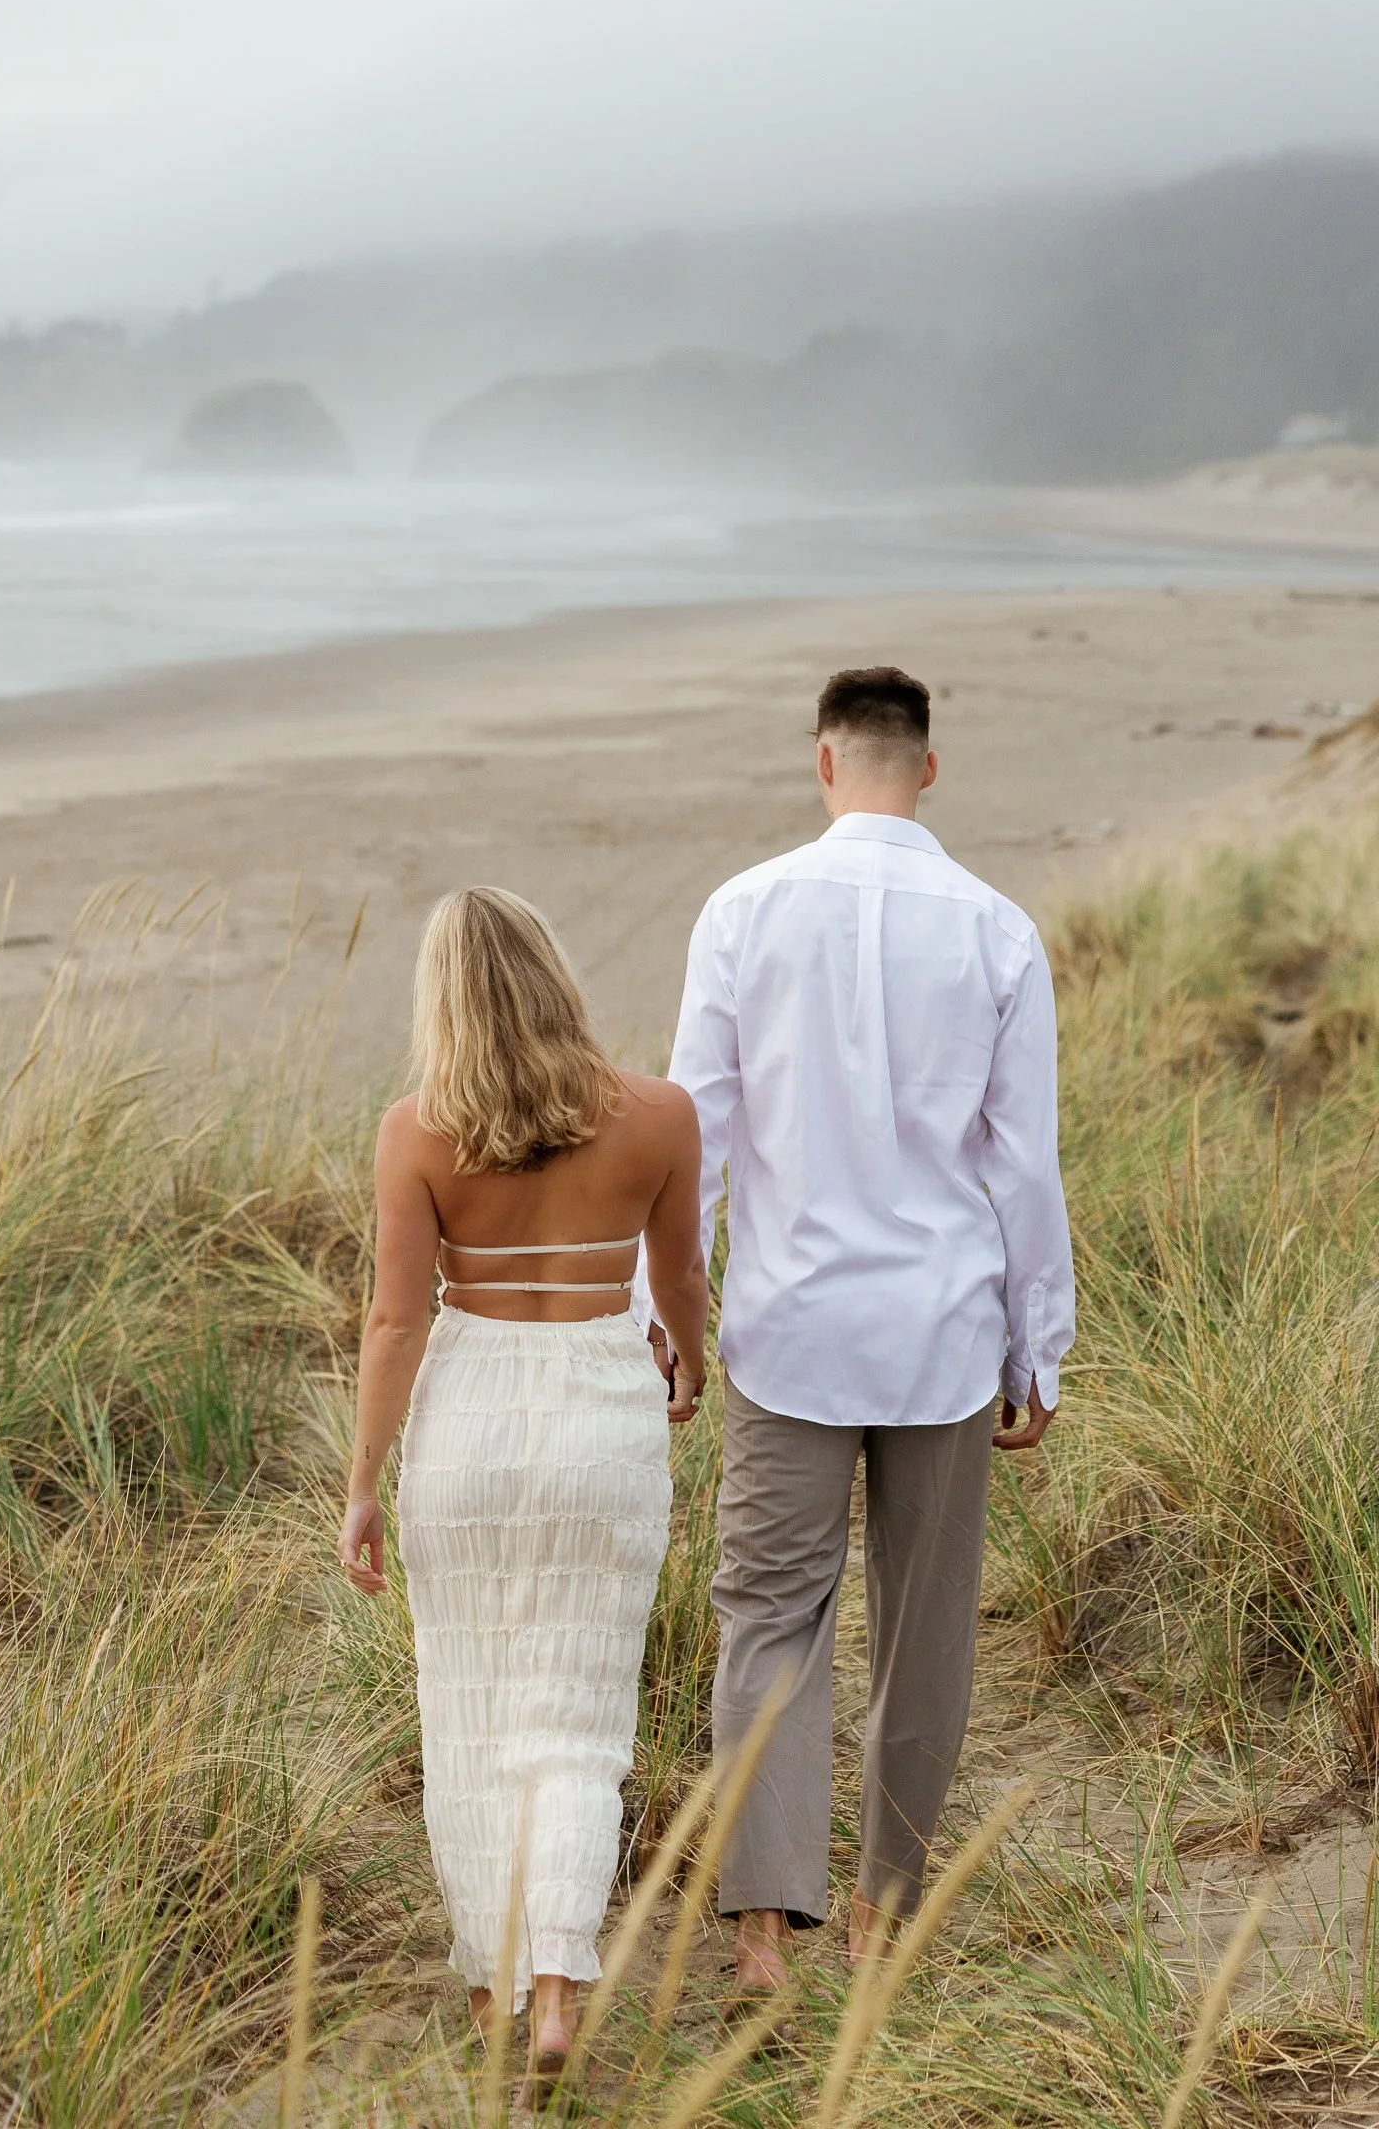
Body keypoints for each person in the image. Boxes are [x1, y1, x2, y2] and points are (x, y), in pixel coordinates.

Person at [631, 664, 1073, 1991]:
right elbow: (1022, 1165)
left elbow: (697, 1134)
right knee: (925, 1633)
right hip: (943, 1334)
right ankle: (884, 1914)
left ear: (824, 762)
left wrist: (665, 1316)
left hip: (790, 1331)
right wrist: (1038, 1344)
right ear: (925, 768)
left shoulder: (742, 910)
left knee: (770, 1616)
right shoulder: (999, 930)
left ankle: (763, 1930)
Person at [339, 886, 708, 2088]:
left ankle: (498, 1981)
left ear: (442, 1000)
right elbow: (680, 1281)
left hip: (472, 1425)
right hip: (600, 1411)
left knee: (473, 1714)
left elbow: (396, 1321)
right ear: (554, 976)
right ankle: (559, 1990)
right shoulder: (659, 1115)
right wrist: (690, 1361)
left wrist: (362, 1484)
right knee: (579, 1721)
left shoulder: (416, 1132)